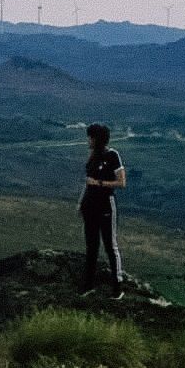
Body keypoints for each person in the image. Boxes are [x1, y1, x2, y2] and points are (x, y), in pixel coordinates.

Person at [79, 122, 126, 297]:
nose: (88, 141)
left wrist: (100, 184)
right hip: (90, 205)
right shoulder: (92, 158)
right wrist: (82, 203)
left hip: (105, 204)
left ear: (97, 139)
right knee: (91, 245)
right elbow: (87, 183)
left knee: (110, 245)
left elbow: (121, 182)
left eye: (90, 137)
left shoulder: (112, 155)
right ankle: (88, 284)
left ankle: (117, 286)